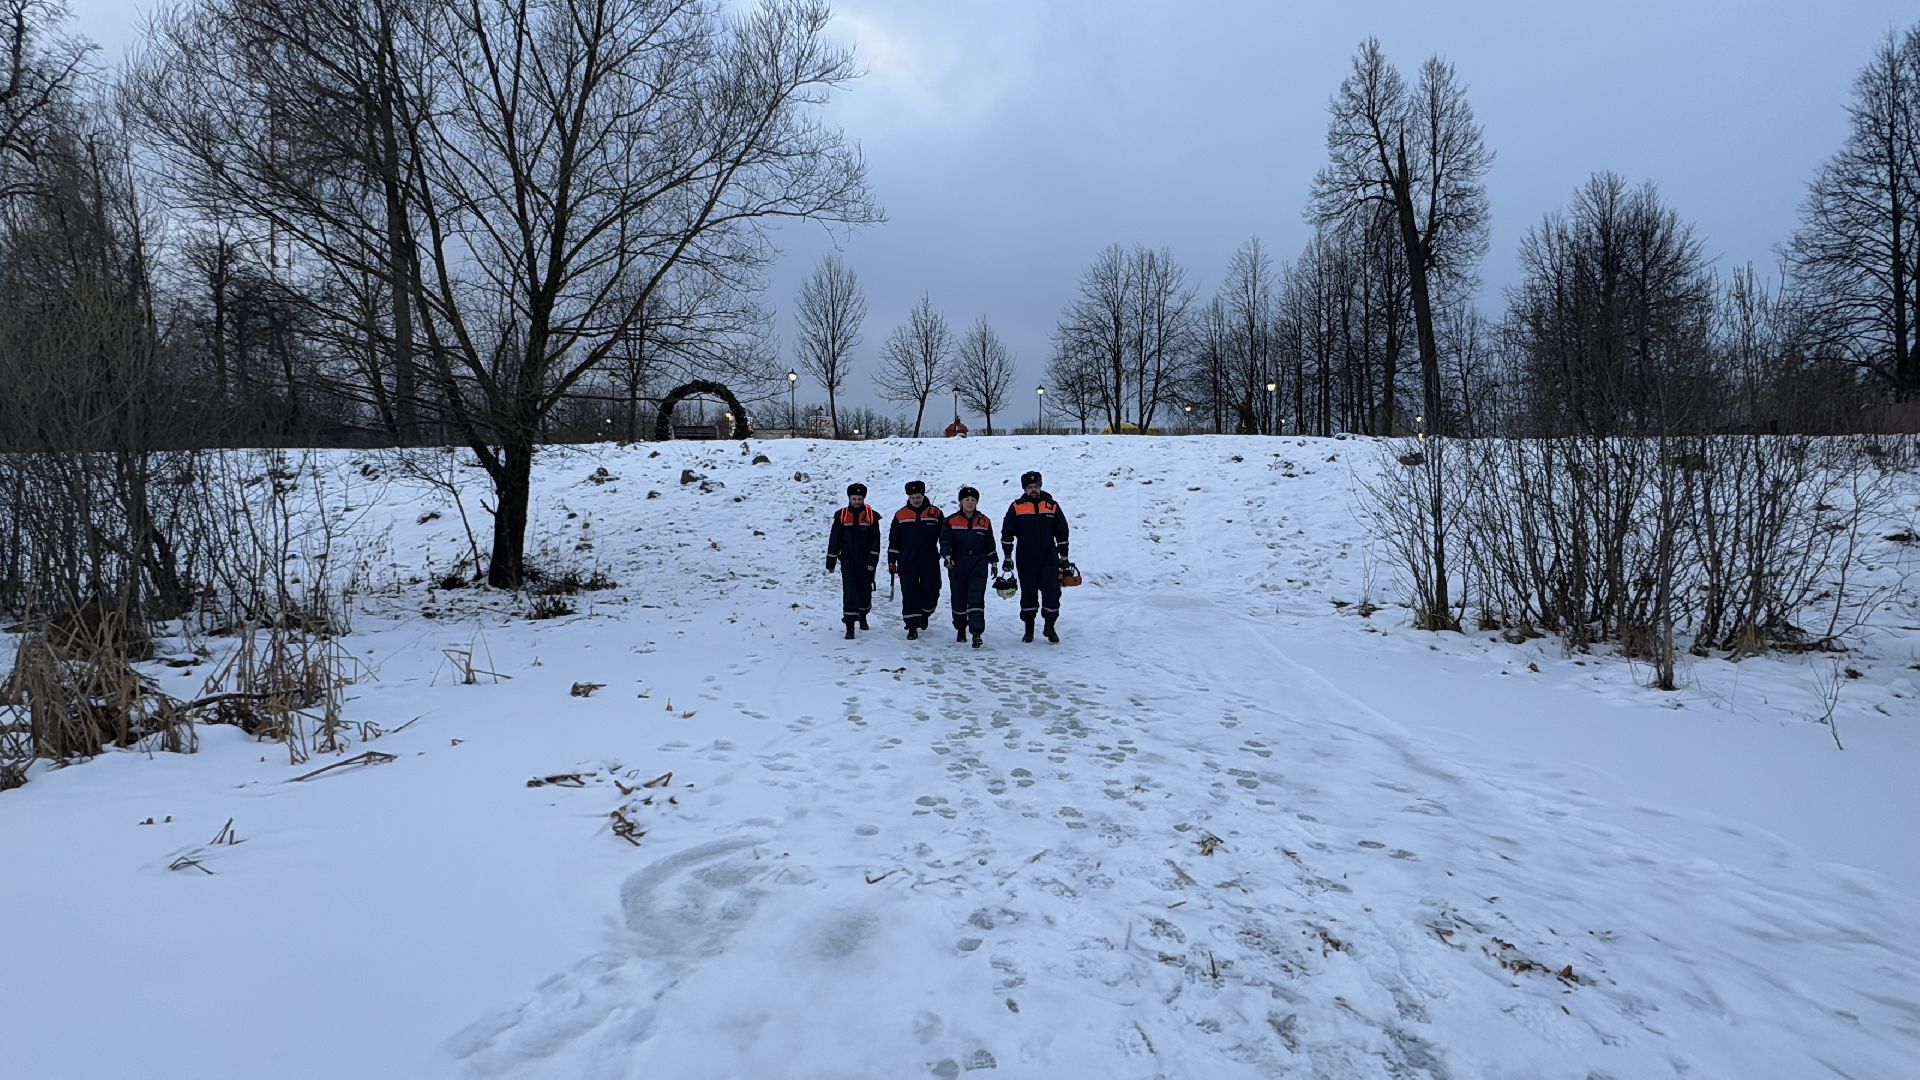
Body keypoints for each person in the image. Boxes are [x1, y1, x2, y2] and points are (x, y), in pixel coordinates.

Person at [1001, 469, 1071, 643]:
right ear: (1024, 489)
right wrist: (1008, 556)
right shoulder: (1017, 507)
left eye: (1036, 486)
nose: (1033, 490)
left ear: (1040, 486)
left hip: (1049, 556)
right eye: (1029, 487)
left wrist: (1064, 557)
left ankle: (1050, 626)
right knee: (1028, 594)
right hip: (1026, 557)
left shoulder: (1051, 506)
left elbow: (1062, 531)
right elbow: (1007, 533)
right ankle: (1029, 629)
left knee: (1052, 592)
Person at [938, 485, 998, 648]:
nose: (970, 502)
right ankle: (960, 628)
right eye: (967, 499)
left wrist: (993, 561)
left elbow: (989, 543)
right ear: (961, 502)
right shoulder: (951, 520)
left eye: (973, 500)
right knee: (959, 598)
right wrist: (948, 555)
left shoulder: (984, 521)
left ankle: (976, 632)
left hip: (978, 562)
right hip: (958, 563)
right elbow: (945, 541)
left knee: (976, 598)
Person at [887, 479, 945, 639]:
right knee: (910, 594)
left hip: (929, 561)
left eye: (918, 496)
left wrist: (947, 553)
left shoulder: (935, 513)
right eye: (913, 497)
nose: (916, 500)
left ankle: (925, 613)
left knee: (932, 592)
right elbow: (894, 539)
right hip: (907, 561)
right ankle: (912, 626)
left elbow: (945, 536)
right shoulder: (900, 515)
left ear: (923, 495)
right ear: (908, 497)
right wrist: (892, 560)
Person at [825, 482, 880, 639]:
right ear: (849, 498)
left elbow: (876, 540)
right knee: (849, 592)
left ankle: (863, 616)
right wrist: (831, 561)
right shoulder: (841, 516)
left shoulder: (871, 516)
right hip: (848, 560)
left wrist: (872, 561)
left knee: (864, 591)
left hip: (866, 561)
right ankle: (850, 625)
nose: (856, 502)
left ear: (864, 499)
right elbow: (834, 539)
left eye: (859, 499)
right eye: (854, 498)